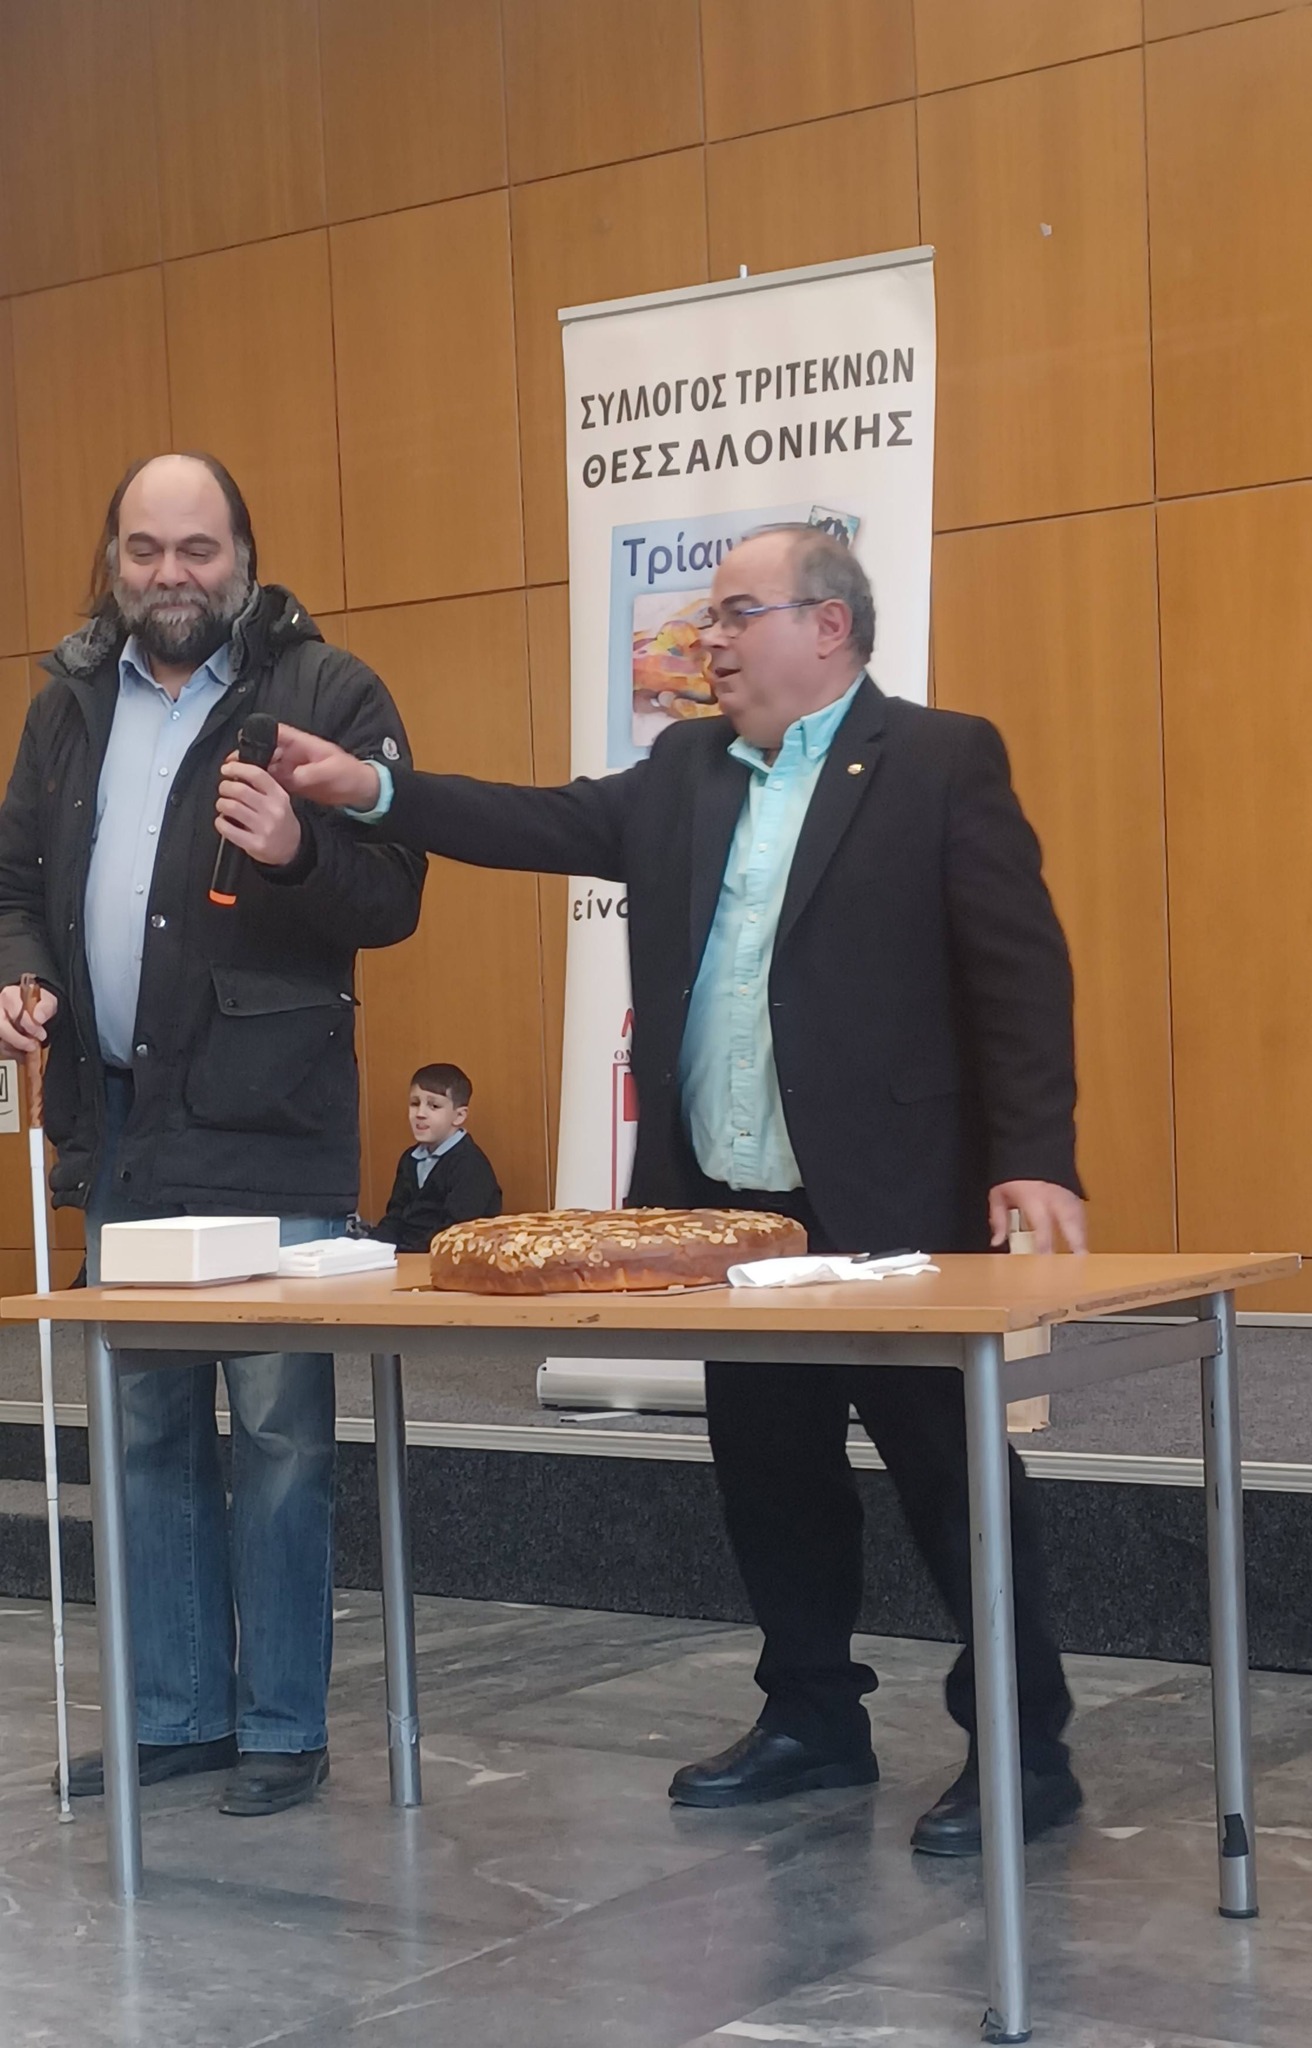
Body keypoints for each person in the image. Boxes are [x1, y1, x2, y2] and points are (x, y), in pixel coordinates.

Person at [269, 522, 1087, 1855]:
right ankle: (812, 1715)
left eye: (734, 614)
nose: (708, 641)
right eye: (708, 619)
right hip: (727, 1213)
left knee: (951, 1476)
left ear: (829, 626)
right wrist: (371, 788)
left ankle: (1021, 1744)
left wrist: (1035, 1149)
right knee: (768, 1471)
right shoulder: (683, 771)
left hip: (894, 1203)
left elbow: (1019, 971)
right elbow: (529, 820)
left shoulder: (940, 761)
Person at [0, 452, 425, 1817]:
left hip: (269, 1123)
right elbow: (13, 884)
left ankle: (283, 1725)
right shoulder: (67, 703)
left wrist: (301, 848)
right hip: (123, 1123)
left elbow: (396, 893)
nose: (170, 574)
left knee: (282, 1435)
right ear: (114, 558)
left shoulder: (326, 690)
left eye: (197, 548)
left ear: (243, 552)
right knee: (146, 1430)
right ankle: (177, 1715)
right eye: (145, 549)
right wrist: (20, 971)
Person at [368, 1062, 501, 1252]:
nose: (420, 1114)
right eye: (415, 1104)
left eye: (434, 1106)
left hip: (445, 1259)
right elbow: (395, 1217)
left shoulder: (471, 1165)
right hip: (406, 1256)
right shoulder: (409, 1159)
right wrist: (372, 1249)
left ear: (459, 1116)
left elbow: (454, 1232)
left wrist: (408, 1254)